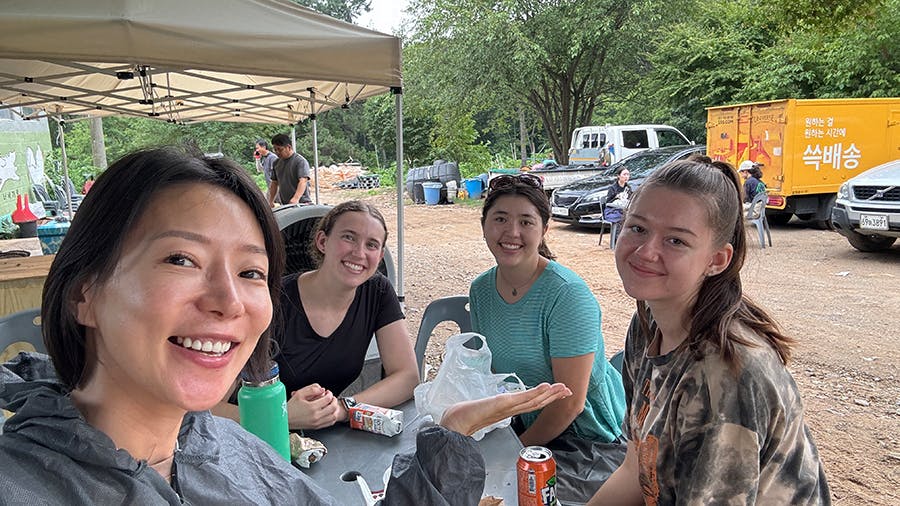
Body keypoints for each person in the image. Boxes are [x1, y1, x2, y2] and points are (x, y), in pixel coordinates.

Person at [0, 147, 573, 504]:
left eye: (250, 270)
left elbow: (404, 373)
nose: (229, 301)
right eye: (181, 260)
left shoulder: (228, 449)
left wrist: (446, 443)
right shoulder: (25, 486)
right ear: (86, 294)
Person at [590, 156, 830, 505]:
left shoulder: (727, 375)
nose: (646, 251)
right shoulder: (648, 322)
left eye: (676, 241)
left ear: (717, 260)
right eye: (638, 228)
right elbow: (634, 469)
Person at [469, 173, 628, 502]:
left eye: (526, 221)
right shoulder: (481, 290)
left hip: (587, 439)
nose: (512, 232)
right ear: (484, 225)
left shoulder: (566, 295)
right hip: (522, 424)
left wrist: (514, 453)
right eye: (500, 219)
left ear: (544, 229)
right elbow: (491, 373)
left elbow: (570, 403)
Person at [214, 201, 420, 430]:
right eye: (349, 237)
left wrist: (343, 408)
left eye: (371, 245)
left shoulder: (377, 292)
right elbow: (210, 407)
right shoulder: (273, 302)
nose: (359, 253)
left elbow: (407, 377)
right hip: (250, 434)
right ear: (322, 241)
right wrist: (280, 417)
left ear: (380, 256)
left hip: (317, 440)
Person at [268, 133, 312, 207]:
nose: (277, 152)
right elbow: (274, 183)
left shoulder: (300, 161)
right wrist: (271, 200)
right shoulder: (276, 163)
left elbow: (303, 181)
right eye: (275, 150)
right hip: (285, 204)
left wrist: (296, 198)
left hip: (301, 203)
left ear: (289, 147)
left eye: (280, 149)